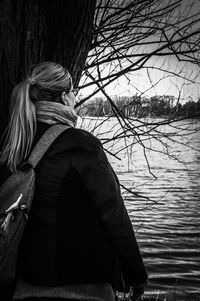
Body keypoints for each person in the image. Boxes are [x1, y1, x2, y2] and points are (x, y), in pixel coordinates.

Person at [0, 62, 148, 301]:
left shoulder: (15, 145)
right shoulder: (80, 144)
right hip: (85, 283)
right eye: (73, 91)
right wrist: (137, 275)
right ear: (65, 96)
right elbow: (113, 213)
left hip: (26, 281)